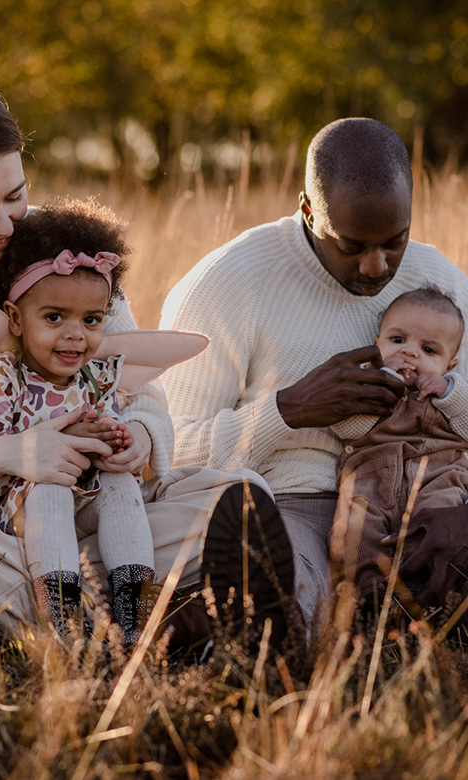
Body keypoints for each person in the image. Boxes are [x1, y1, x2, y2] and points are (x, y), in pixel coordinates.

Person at [0, 70, 289, 648]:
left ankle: (96, 605)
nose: (5, 224)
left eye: (14, 196)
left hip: (91, 511)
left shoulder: (63, 256)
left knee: (238, 496)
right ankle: (102, 627)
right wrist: (4, 455)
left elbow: (143, 394)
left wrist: (138, 435)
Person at [160, 118, 468, 631]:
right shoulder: (228, 283)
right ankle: (250, 624)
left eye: (396, 240)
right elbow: (164, 453)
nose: (376, 266)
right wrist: (288, 411)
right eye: (351, 245)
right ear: (307, 210)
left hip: (434, 491)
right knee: (295, 584)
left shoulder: (438, 283)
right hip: (295, 503)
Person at [0, 200, 159, 644]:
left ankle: (134, 612)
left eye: (91, 320)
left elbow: (109, 417)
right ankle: (65, 620)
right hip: (27, 502)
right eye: (54, 318)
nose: (76, 335)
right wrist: (54, 444)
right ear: (16, 318)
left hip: (87, 497)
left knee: (122, 485)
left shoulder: (95, 375)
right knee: (49, 488)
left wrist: (118, 439)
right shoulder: (2, 377)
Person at [331, 287, 468, 602]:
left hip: (439, 472)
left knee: (435, 523)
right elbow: (343, 428)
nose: (410, 353)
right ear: (376, 342)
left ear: (450, 365)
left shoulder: (453, 394)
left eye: (429, 350)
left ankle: (422, 590)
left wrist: (450, 393)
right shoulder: (366, 382)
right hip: (370, 477)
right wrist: (379, 383)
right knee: (355, 533)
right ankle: (368, 595)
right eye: (397, 341)